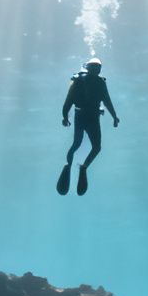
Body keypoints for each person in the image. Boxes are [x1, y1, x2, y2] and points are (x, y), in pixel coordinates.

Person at [57, 57, 119, 196]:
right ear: (88, 68)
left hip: (90, 117)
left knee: (95, 147)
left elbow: (107, 101)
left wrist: (114, 116)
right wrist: (65, 117)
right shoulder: (79, 82)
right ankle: (70, 166)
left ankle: (82, 168)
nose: (97, 70)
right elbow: (69, 101)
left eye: (98, 67)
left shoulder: (98, 83)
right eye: (94, 67)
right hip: (84, 116)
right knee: (77, 144)